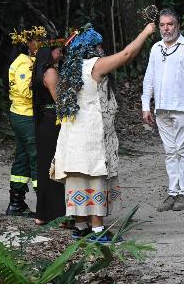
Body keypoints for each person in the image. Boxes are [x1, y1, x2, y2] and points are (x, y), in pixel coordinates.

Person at [53, 22, 157, 243]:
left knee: (79, 178)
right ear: (91, 47)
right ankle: (97, 230)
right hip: (90, 135)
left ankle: (81, 226)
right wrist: (146, 31)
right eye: (99, 46)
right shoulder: (94, 65)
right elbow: (127, 54)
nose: (102, 49)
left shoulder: (72, 68)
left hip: (73, 136)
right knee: (95, 177)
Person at [141, 9, 184, 212]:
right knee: (170, 152)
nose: (166, 28)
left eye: (170, 24)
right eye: (162, 25)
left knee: (182, 150)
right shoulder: (156, 48)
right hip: (161, 108)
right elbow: (149, 78)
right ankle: (173, 192)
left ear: (178, 26)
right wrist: (145, 105)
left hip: (181, 107)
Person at [6, 26, 46, 216]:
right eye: (37, 40)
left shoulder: (30, 60)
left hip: (23, 115)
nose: (40, 43)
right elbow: (25, 91)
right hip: (25, 116)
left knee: (22, 158)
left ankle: (16, 203)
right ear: (28, 43)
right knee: (37, 157)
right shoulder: (23, 64)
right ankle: (44, 206)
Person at [31, 43, 66, 226]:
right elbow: (59, 100)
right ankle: (58, 215)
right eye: (58, 51)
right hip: (53, 121)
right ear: (50, 53)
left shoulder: (38, 71)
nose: (60, 54)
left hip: (44, 121)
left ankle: (42, 214)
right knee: (55, 168)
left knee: (44, 167)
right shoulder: (51, 72)